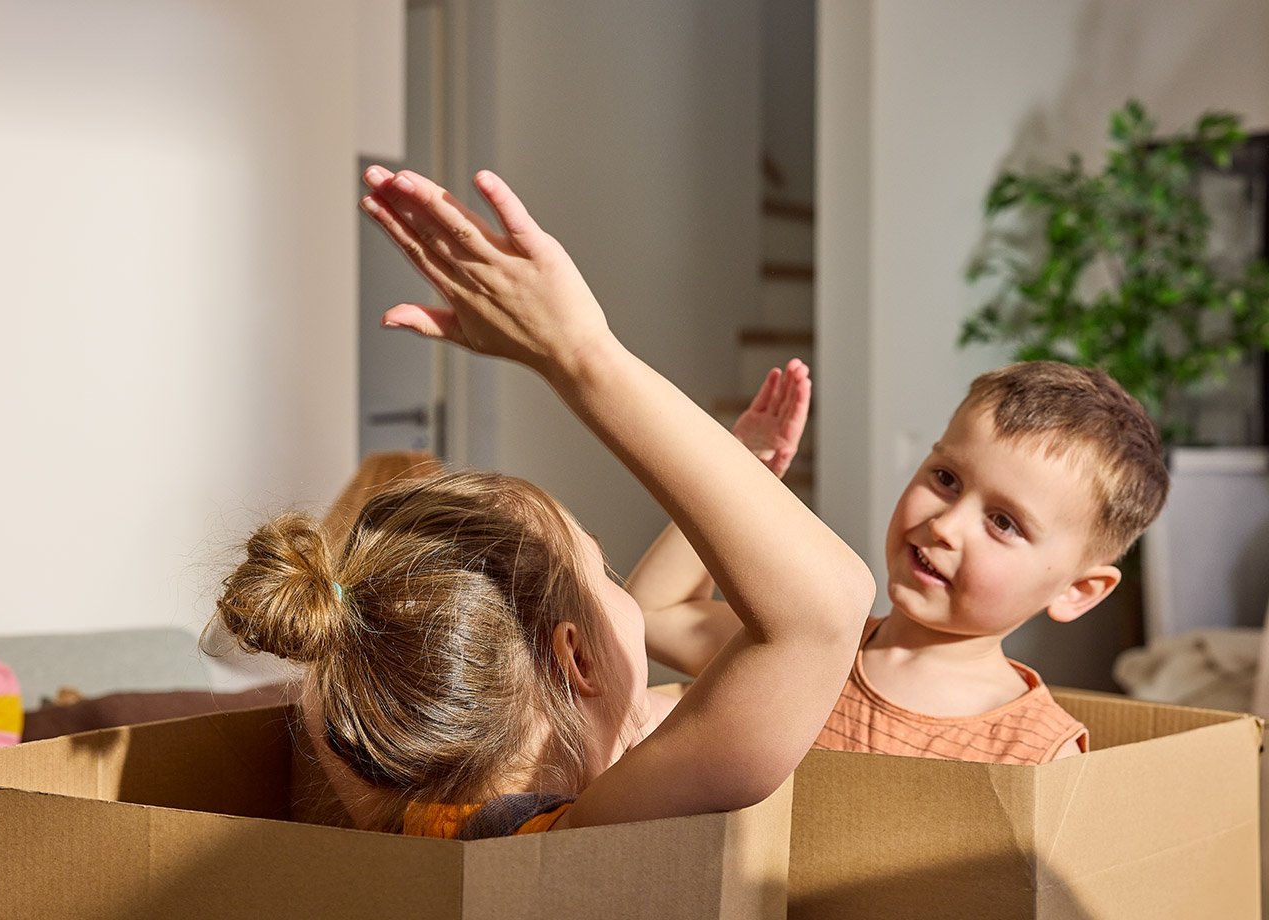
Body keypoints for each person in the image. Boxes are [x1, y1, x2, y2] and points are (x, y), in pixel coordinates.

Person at [210, 165, 875, 839]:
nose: (628, 596)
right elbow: (827, 612)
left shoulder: (402, 814)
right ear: (577, 659)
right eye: (603, 571)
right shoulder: (576, 839)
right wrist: (579, 353)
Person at [634, 360, 1169, 764]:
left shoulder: (1036, 753)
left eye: (1003, 522)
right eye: (946, 479)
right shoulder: (808, 651)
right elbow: (653, 614)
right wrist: (739, 472)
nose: (945, 525)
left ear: (1077, 591)